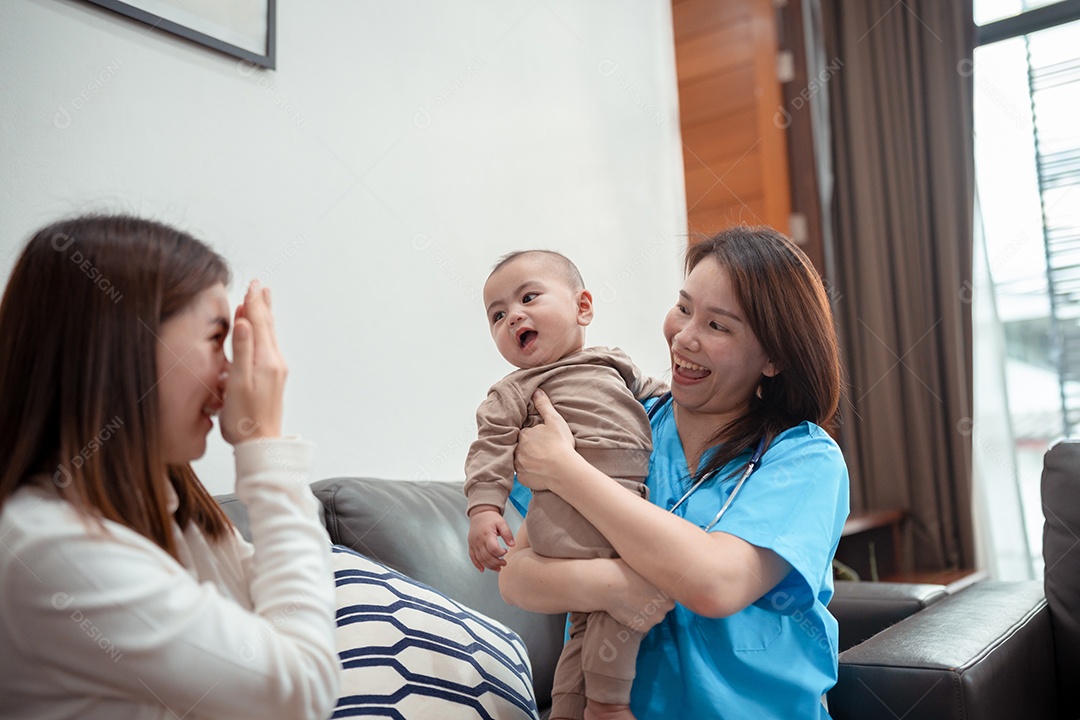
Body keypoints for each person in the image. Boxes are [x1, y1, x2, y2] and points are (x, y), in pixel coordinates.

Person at [500, 226, 849, 720]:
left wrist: (567, 472)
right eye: (684, 308)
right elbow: (517, 576)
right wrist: (614, 586)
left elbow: (716, 583)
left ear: (774, 358)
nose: (684, 337)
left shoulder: (804, 460)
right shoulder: (618, 420)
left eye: (718, 326)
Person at [0, 215, 340, 719]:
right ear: (124, 343)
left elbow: (282, 595)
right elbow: (302, 689)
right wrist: (264, 444)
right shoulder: (44, 546)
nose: (230, 376)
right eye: (215, 340)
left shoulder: (167, 506)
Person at [464, 250, 668, 720]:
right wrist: (484, 510)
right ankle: (608, 703)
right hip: (568, 513)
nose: (512, 315)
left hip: (619, 498)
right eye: (497, 315)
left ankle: (569, 709)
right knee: (623, 598)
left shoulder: (613, 363)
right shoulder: (516, 389)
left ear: (583, 307)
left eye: (529, 297)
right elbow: (489, 448)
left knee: (584, 625)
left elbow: (663, 397)